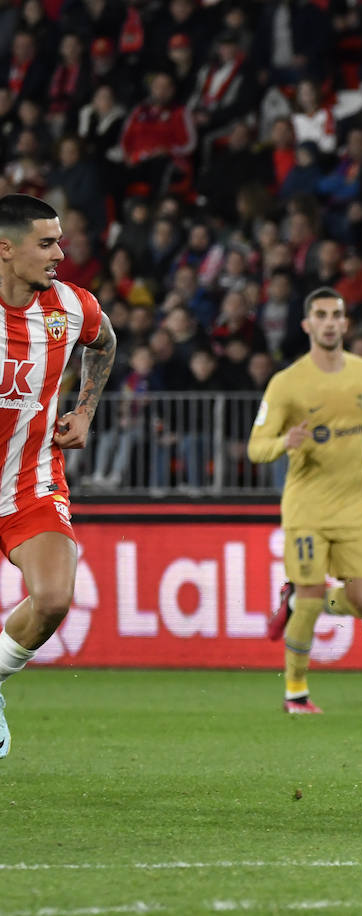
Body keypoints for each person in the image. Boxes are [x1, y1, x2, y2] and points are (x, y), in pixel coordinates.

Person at [247, 288, 362, 713]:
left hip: (355, 509)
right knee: (311, 594)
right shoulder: (287, 383)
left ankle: (297, 598)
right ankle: (295, 692)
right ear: (307, 324)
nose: (329, 322)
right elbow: (255, 447)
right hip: (307, 511)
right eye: (320, 315)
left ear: (345, 323)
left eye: (336, 315)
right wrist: (286, 441)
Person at [0, 194, 117, 758]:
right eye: (46, 243)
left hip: (30, 481)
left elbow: (106, 342)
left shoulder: (71, 306)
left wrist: (86, 409)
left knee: (51, 599)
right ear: (6, 248)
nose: (59, 254)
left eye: (59, 240)